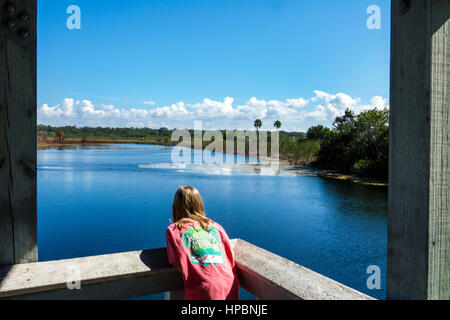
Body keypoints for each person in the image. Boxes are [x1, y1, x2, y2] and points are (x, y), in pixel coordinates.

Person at [165, 186, 240, 300]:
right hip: (229, 285)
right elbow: (230, 256)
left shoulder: (173, 230)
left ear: (174, 207)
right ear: (200, 205)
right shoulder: (215, 226)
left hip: (203, 289)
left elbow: (176, 264)